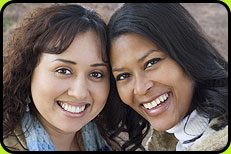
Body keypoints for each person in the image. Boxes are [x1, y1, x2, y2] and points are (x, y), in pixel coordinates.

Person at [106, 3, 228, 151]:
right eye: (124, 75)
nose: (140, 88)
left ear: (188, 53)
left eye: (151, 63)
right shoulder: (170, 142)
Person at [3, 4, 120, 151]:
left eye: (96, 74)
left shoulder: (108, 143)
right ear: (28, 71)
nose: (79, 93)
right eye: (63, 70)